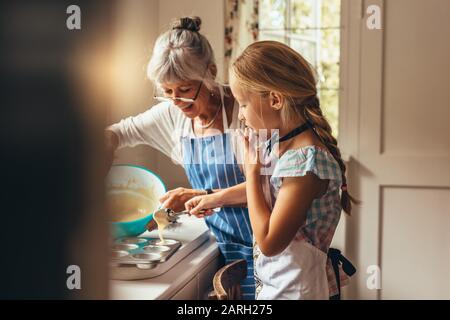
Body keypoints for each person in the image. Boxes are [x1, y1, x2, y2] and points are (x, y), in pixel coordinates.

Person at [186, 40, 358, 299]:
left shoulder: (305, 163)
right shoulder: (282, 145)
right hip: (277, 287)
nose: (241, 115)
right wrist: (213, 197)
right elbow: (273, 189)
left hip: (296, 292)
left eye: (243, 104)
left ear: (276, 99)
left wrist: (252, 170)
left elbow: (268, 242)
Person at [105, 16, 255, 299]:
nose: (178, 101)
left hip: (264, 243)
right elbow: (119, 132)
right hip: (224, 244)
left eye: (185, 90)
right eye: (167, 92)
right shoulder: (173, 115)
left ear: (210, 72)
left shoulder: (245, 113)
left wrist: (199, 195)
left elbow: (267, 188)